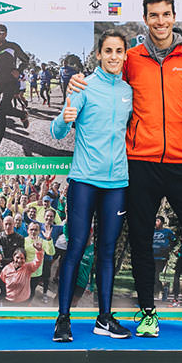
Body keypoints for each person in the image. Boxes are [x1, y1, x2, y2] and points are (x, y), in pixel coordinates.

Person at [69, 0, 182, 339]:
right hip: (139, 163)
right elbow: (105, 80)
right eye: (153, 15)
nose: (160, 21)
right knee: (141, 240)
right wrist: (76, 81)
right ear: (145, 19)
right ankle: (148, 313)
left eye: (166, 14)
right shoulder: (130, 57)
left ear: (174, 17)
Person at [48, 30, 133, 341]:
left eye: (118, 51)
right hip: (84, 180)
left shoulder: (128, 91)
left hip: (117, 184)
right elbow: (58, 132)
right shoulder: (83, 86)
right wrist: (64, 117)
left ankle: (105, 318)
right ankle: (63, 319)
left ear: (125, 55)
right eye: (107, 50)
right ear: (99, 54)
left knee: (107, 252)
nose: (113, 56)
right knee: (75, 248)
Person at [0, 24, 30, 156]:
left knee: (0, 112)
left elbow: (26, 60)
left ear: (5, 34)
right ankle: (22, 115)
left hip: (11, 82)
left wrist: (19, 70)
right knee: (5, 111)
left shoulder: (13, 46)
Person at [152, 216, 176, 301]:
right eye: (155, 221)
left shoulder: (167, 231)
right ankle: (159, 291)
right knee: (152, 276)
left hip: (162, 257)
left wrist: (169, 248)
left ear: (162, 222)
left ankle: (164, 290)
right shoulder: (152, 231)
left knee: (157, 275)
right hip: (152, 256)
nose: (155, 222)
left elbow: (174, 240)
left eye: (157, 221)